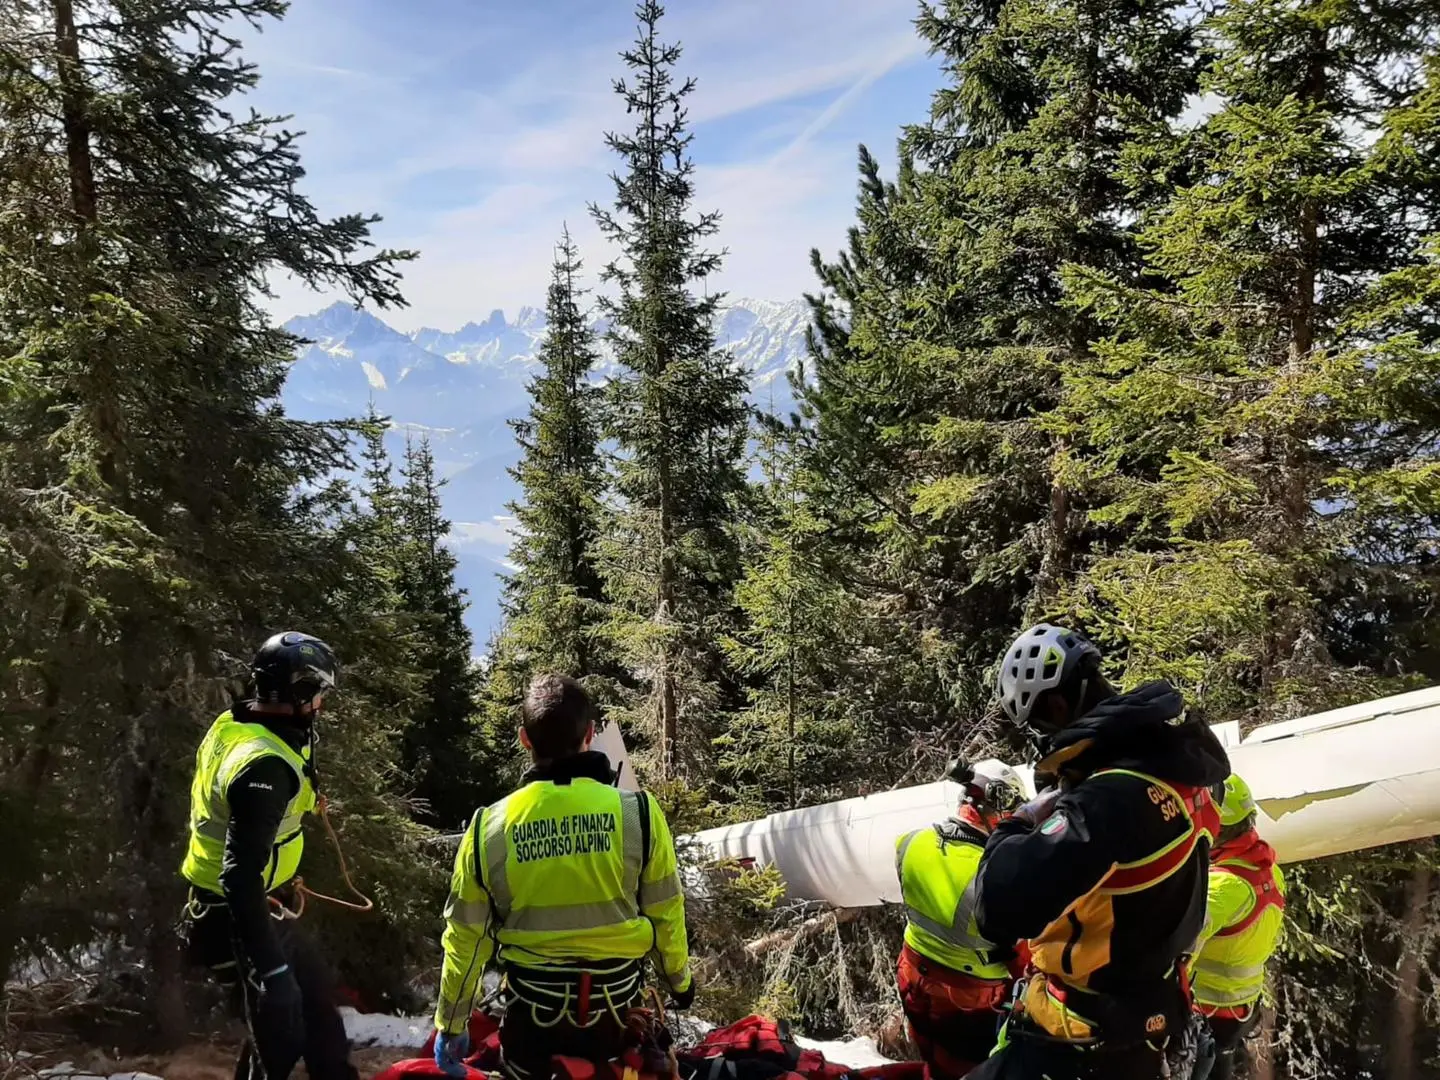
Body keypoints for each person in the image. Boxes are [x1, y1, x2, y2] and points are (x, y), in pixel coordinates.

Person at [970, 623, 1230, 1080]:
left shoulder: (1108, 800)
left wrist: (1017, 823)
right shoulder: (1184, 770)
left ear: (1056, 704)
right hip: (1150, 1019)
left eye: (1039, 724)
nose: (1041, 740)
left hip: (1079, 1043)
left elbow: (997, 905)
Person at [433, 674, 694, 1080]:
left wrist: (451, 1023)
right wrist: (680, 983)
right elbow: (666, 913)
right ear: (590, 733)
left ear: (524, 739)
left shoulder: (488, 828)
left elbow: (466, 939)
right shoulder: (637, 813)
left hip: (534, 1029)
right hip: (617, 1022)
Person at [179, 631, 357, 1080]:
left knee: (323, 1031)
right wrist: (273, 971)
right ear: (298, 694)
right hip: (237, 914)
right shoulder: (264, 767)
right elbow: (239, 876)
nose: (322, 705)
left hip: (265, 905)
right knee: (278, 1043)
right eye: (318, 694)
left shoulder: (238, 721)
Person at [895, 759, 1028, 1080]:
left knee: (932, 1058)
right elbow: (1021, 959)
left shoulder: (910, 842)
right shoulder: (992, 875)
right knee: (965, 1070)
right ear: (999, 802)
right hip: (965, 997)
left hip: (911, 974)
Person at [1188, 773, 1285, 1080]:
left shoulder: (1223, 887)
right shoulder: (1265, 869)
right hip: (1236, 1010)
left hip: (1208, 1010)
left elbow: (1175, 940)